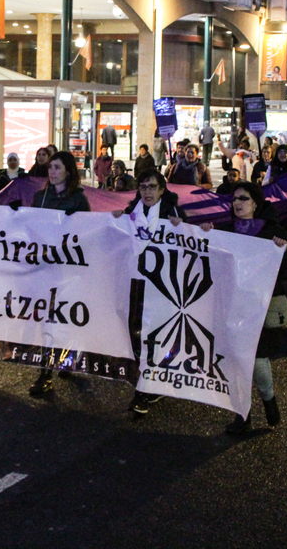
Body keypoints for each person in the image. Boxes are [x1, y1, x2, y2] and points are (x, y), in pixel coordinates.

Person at [199, 181, 287, 433]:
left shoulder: (273, 232)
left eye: (243, 198)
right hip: (233, 305)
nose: (237, 203)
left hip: (262, 305)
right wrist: (204, 233)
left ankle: (269, 400)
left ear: (255, 203)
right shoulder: (225, 230)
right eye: (234, 199)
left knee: (257, 358)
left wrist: (281, 250)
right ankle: (243, 415)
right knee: (235, 360)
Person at [113, 169, 186, 415]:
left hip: (162, 287)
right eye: (143, 187)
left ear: (162, 190)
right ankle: (145, 386)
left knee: (156, 336)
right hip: (136, 284)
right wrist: (116, 220)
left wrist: (184, 227)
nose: (147, 191)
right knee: (137, 336)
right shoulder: (132, 213)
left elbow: (193, 242)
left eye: (152, 187)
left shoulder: (172, 213)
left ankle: (148, 387)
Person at [27, 151, 91, 396]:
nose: (52, 172)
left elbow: (88, 233)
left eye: (57, 167)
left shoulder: (78, 200)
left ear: (68, 171)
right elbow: (30, 228)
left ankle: (67, 357)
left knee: (64, 318)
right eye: (50, 167)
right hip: (44, 268)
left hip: (68, 270)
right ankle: (45, 374)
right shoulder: (40, 197)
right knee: (47, 319)